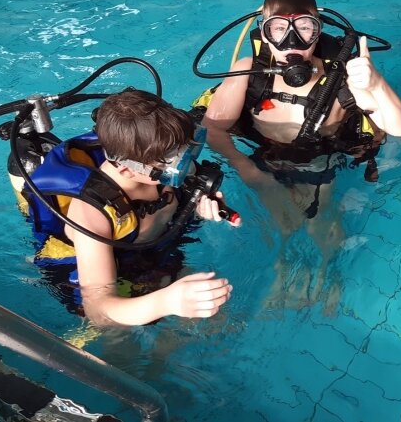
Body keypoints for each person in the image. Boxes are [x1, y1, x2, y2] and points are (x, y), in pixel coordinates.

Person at [199, 0, 401, 313]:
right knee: (280, 225)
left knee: (320, 221)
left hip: (320, 160)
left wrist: (375, 83)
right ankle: (282, 268)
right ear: (264, 33)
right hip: (263, 156)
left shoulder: (341, 76)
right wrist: (249, 171)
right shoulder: (248, 71)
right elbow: (213, 130)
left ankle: (329, 271)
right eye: (279, 30)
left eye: (306, 29)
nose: (292, 42)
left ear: (319, 30)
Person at [23, 89, 240, 327]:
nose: (186, 166)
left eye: (185, 150)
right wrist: (165, 302)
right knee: (123, 343)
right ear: (127, 170)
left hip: (155, 253)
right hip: (104, 274)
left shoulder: (158, 162)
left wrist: (201, 209)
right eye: (173, 162)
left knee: (217, 320)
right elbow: (99, 312)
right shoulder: (91, 212)